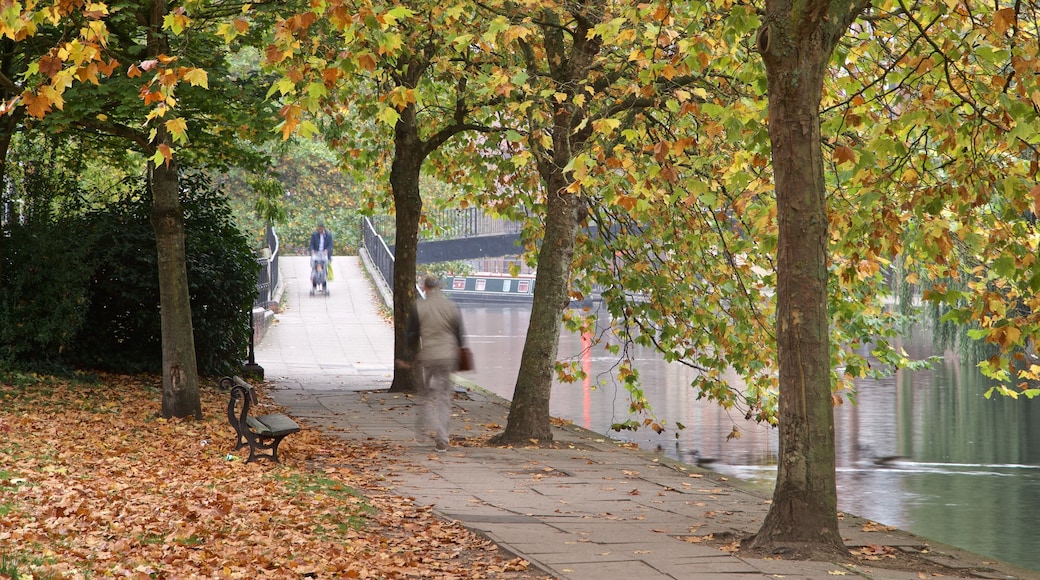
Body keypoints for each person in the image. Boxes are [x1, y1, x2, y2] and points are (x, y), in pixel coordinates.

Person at [405, 275, 466, 452]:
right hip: (447, 357)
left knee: (424, 396)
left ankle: (423, 429)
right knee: (444, 398)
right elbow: (459, 334)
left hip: (428, 357)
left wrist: (413, 353)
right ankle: (442, 438)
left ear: (424, 287)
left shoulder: (419, 306)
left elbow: (412, 334)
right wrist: (459, 352)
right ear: (440, 288)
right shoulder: (452, 306)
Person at [309, 221, 333, 291]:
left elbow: (330, 245)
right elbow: (311, 244)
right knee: (315, 268)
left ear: (323, 228)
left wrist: (327, 250)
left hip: (324, 253)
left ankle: (324, 285)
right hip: (316, 253)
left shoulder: (328, 235)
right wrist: (312, 250)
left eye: (321, 229)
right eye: (319, 229)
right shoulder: (314, 235)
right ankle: (314, 285)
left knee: (324, 269)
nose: (320, 231)